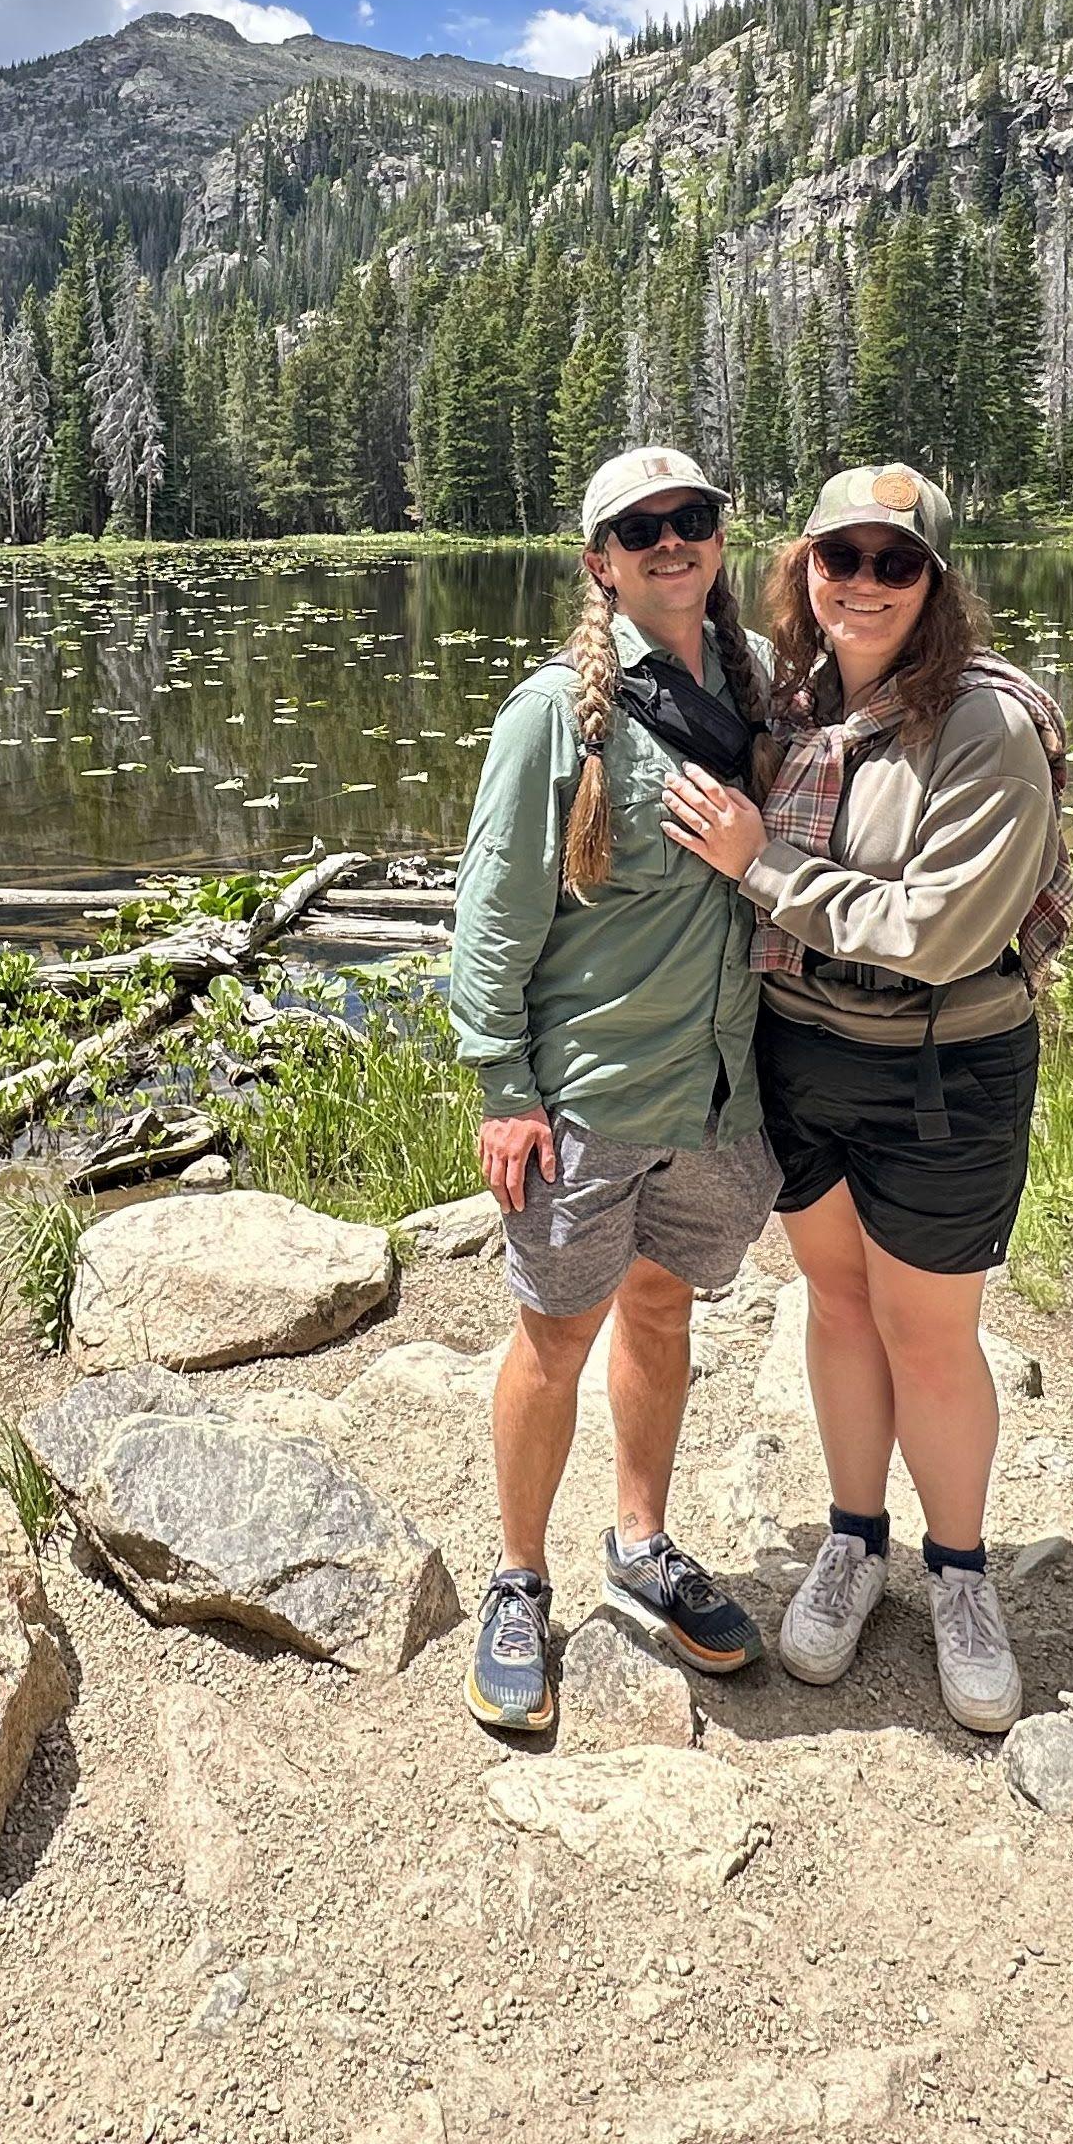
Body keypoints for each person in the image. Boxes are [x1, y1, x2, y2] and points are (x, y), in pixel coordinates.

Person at [658, 462, 1068, 1735]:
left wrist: (761, 864)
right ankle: (853, 1540)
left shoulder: (986, 725)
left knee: (929, 1334)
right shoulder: (792, 705)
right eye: (842, 559)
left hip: (945, 1068)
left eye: (897, 563)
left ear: (936, 581)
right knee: (836, 1303)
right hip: (805, 1058)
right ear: (806, 573)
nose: (866, 584)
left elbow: (936, 932)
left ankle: (959, 1575)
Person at [445, 444, 782, 1735]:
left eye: (692, 519)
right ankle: (518, 1577)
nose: (672, 542)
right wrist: (501, 1086)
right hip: (585, 1104)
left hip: (711, 1102)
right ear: (601, 563)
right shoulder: (554, 715)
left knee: (659, 1313)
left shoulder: (754, 695)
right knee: (554, 1335)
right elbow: (491, 914)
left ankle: (641, 1545)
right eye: (640, 530)